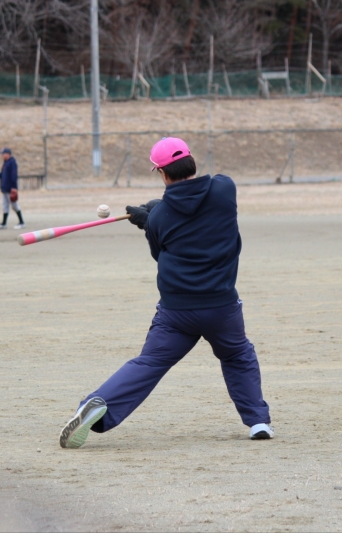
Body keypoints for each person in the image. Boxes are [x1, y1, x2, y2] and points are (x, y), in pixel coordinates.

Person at [59, 137, 272, 449]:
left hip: (176, 312)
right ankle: (258, 422)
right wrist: (155, 215)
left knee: (149, 363)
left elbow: (162, 254)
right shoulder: (225, 189)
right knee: (237, 355)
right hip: (221, 307)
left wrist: (150, 221)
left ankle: (97, 405)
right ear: (191, 161)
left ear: (161, 172)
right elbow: (197, 203)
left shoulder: (160, 218)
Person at [0, 147, 24, 229]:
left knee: (14, 205)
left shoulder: (12, 162)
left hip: (10, 189)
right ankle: (4, 223)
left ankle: (21, 222)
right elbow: (2, 175)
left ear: (7, 154)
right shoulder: (6, 163)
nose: (2, 155)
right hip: (5, 189)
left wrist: (13, 187)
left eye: (3, 154)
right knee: (5, 206)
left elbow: (14, 176)